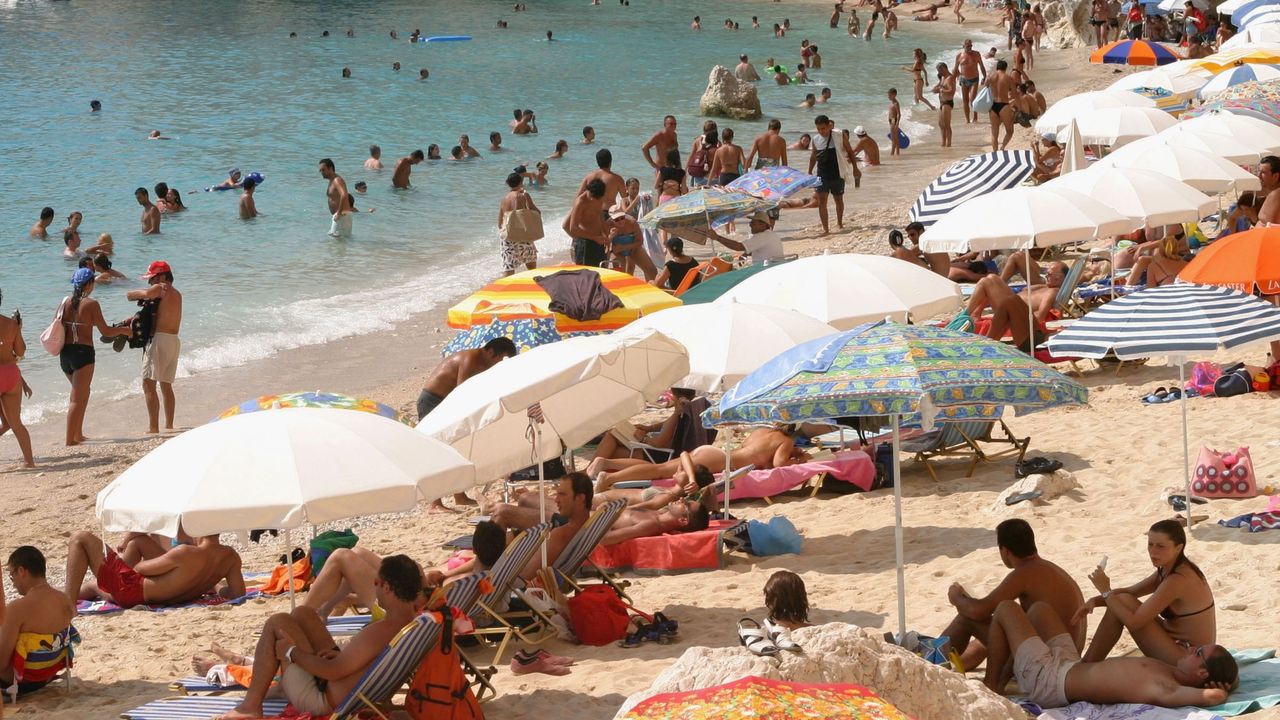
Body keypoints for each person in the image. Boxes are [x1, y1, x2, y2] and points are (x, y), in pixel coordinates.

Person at [215, 556, 422, 719]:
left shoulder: (380, 630)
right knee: (303, 614)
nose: (374, 588)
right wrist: (336, 655)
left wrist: (291, 652)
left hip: (322, 699)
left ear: (387, 587)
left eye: (376, 583)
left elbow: (333, 672)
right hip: (354, 689)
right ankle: (279, 685)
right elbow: (352, 665)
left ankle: (250, 706)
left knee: (277, 621)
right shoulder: (413, 623)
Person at [986, 600, 1235, 710]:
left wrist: (1221, 688)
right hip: (1068, 665)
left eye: (1198, 652)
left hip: (1050, 682)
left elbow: (1214, 696)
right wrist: (1231, 680)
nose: (1192, 648)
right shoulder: (1173, 670)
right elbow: (1218, 685)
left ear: (1202, 672)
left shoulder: (1166, 688)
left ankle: (993, 684)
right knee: (1040, 609)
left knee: (1006, 608)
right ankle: (1015, 666)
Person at [941, 519, 1086, 683]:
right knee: (996, 632)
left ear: (1005, 551)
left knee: (966, 619)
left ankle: (930, 661)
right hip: (1067, 657)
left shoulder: (1025, 573)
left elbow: (978, 611)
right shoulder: (1049, 569)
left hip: (1048, 661)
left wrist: (956, 598)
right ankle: (950, 660)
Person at [1075, 519, 1218, 666]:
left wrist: (1105, 591)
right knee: (1122, 599)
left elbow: (1133, 623)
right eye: (1150, 544)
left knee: (1118, 604)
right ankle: (1087, 663)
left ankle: (1086, 664)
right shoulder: (1171, 568)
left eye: (1160, 546)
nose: (1153, 552)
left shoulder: (1178, 580)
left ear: (1178, 548)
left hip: (1190, 658)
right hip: (1178, 642)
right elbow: (1130, 591)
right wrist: (1095, 600)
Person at [303, 522, 505, 617]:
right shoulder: (486, 577)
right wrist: (430, 579)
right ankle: (326, 610)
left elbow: (431, 608)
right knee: (359, 552)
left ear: (475, 549)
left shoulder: (460, 585)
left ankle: (303, 613)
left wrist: (426, 582)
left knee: (342, 555)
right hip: (412, 599)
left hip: (399, 609)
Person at [418, 338, 517, 510]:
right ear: (491, 352)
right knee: (436, 451)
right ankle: (435, 503)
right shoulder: (471, 358)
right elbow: (462, 391)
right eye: (500, 360)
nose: (498, 365)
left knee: (457, 448)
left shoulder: (484, 364)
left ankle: (460, 496)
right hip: (433, 401)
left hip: (446, 403)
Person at [65, 531, 245, 608]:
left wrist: (121, 563)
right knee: (140, 541)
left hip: (131, 592)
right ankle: (65, 594)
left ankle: (67, 605)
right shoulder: (230, 556)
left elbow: (140, 568)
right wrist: (213, 585)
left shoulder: (185, 552)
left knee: (80, 538)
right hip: (174, 594)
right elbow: (237, 593)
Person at [591, 425, 808, 488]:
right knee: (659, 471)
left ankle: (607, 463)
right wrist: (798, 459)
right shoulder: (785, 442)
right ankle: (609, 478)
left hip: (716, 453)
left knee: (660, 467)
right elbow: (779, 465)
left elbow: (748, 449)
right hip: (720, 461)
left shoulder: (762, 431)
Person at [56, 269, 131, 446]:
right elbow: (105, 331)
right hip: (83, 354)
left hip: (65, 354)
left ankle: (78, 434)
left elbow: (56, 325)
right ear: (90, 284)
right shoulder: (91, 304)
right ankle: (69, 440)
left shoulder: (64, 302)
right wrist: (123, 330)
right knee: (76, 397)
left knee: (83, 392)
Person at [487, 472, 594, 580]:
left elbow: (524, 578)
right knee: (509, 532)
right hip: (543, 574)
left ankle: (482, 565)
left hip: (512, 584)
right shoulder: (586, 527)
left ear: (580, 498)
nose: (556, 500)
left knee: (500, 517)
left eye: (562, 494)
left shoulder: (559, 534)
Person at [0, 547, 75, 696]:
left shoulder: (17, 608)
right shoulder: (65, 601)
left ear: (22, 571)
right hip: (47, 676)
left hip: (19, 681)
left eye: (12, 575)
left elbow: (1, 663)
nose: (13, 582)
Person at [127, 260, 183, 435]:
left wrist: (130, 293)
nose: (150, 282)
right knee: (166, 385)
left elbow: (139, 294)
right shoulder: (177, 294)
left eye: (152, 278)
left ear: (163, 276)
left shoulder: (161, 288)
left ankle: (153, 427)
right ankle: (169, 425)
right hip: (173, 340)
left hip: (158, 340)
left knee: (148, 385)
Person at [965, 261, 1067, 351]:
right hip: (1012, 309)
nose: (1046, 277)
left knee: (988, 283)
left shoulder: (1052, 292)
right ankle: (972, 315)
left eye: (1049, 274)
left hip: (1018, 319)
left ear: (1059, 277)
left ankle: (965, 316)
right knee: (992, 278)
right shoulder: (1045, 287)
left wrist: (1020, 316)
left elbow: (1040, 317)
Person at [0, 293, 34, 468]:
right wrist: (17, 329)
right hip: (11, 376)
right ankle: (29, 462)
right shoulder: (12, 325)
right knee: (16, 424)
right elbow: (20, 353)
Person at [601, 496, 712, 544]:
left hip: (588, 525)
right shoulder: (656, 513)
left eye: (686, 504)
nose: (682, 499)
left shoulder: (651, 525)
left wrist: (599, 514)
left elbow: (605, 539)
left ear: (683, 520)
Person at [691, 211, 786, 265]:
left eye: (753, 222)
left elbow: (739, 246)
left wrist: (717, 237)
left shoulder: (763, 236)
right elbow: (756, 247)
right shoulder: (770, 235)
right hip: (773, 266)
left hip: (765, 269)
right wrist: (746, 253)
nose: (750, 225)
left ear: (762, 224)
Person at [808, 115, 850, 235]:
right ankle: (826, 229)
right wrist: (810, 171)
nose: (821, 131)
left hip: (837, 174)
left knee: (838, 199)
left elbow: (849, 151)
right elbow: (813, 156)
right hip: (822, 175)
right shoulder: (816, 139)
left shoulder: (838, 136)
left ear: (829, 126)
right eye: (818, 129)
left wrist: (856, 169)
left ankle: (840, 223)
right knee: (822, 202)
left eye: (823, 128)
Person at [498, 172, 540, 276]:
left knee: (509, 264)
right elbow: (536, 211)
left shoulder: (504, 198)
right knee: (530, 261)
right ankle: (534, 283)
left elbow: (499, 221)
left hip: (507, 233)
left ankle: (507, 289)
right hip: (521, 232)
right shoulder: (523, 195)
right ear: (521, 182)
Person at [565, 178, 613, 267]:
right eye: (592, 196)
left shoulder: (599, 198)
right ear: (588, 190)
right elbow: (573, 228)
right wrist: (594, 238)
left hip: (598, 241)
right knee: (585, 275)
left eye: (596, 198)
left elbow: (600, 217)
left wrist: (607, 236)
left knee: (600, 271)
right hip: (585, 244)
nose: (593, 199)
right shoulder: (580, 202)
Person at [607, 203, 657, 280]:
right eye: (616, 219)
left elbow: (640, 241)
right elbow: (605, 246)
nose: (620, 221)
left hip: (633, 247)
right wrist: (610, 237)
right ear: (611, 219)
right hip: (617, 251)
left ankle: (653, 288)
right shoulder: (608, 225)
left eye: (622, 217)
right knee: (622, 275)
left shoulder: (632, 222)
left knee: (652, 271)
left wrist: (624, 247)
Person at [319, 158, 356, 238]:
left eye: (323, 170)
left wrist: (339, 213)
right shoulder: (332, 181)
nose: (321, 172)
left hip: (342, 216)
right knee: (337, 244)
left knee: (336, 244)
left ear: (331, 168)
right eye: (320, 170)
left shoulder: (337, 180)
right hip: (340, 217)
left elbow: (344, 195)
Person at [987, 59, 1016, 151]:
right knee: (1010, 131)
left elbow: (985, 87)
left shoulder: (991, 77)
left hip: (992, 106)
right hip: (1004, 105)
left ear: (997, 67)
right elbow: (1014, 94)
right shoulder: (1008, 78)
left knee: (994, 134)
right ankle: (1002, 147)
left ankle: (995, 153)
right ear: (1005, 68)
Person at [955, 39, 986, 123]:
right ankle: (967, 120)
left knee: (972, 99)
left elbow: (982, 66)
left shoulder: (976, 54)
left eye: (971, 45)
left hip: (974, 79)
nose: (970, 47)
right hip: (963, 79)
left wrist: (985, 77)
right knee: (965, 100)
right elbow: (955, 68)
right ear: (963, 46)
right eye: (968, 46)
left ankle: (975, 117)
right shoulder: (959, 56)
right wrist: (954, 78)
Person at [934, 62, 956, 147]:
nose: (939, 73)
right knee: (940, 124)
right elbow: (940, 86)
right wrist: (935, 89)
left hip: (947, 102)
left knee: (947, 125)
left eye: (940, 70)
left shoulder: (950, 78)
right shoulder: (943, 77)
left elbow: (952, 91)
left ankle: (949, 144)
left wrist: (942, 90)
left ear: (944, 68)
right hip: (941, 102)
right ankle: (943, 142)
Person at [887, 88, 903, 157]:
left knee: (894, 138)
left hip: (894, 120)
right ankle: (896, 153)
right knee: (894, 138)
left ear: (894, 95)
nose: (888, 97)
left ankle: (893, 153)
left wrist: (897, 123)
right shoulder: (891, 102)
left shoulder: (896, 103)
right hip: (891, 120)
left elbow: (899, 114)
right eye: (888, 95)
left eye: (890, 96)